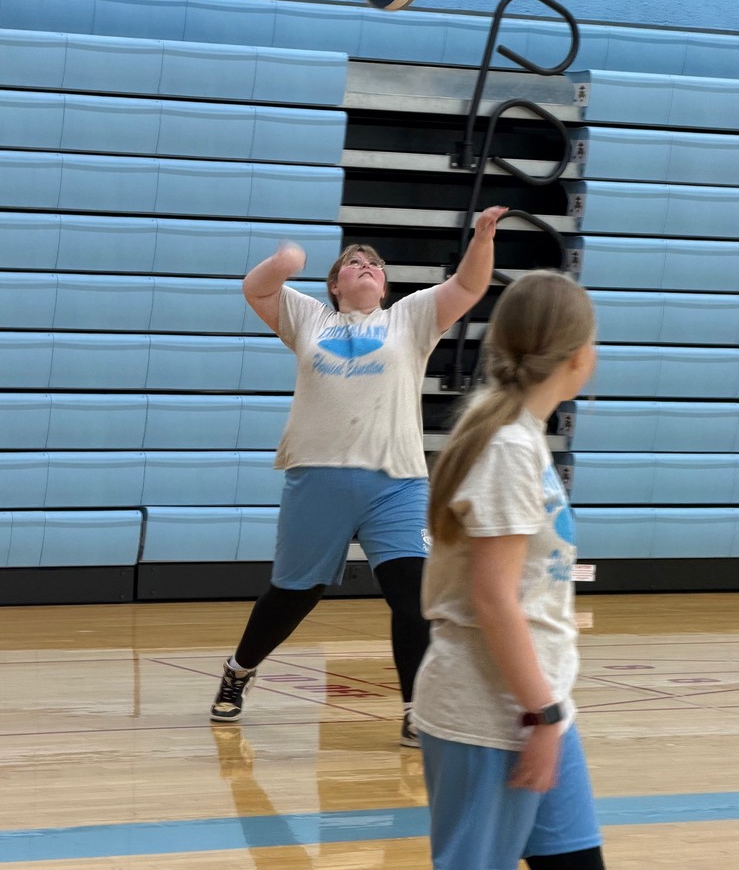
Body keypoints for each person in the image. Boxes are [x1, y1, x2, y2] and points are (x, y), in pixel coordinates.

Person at [210, 206, 509, 746]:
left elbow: (470, 284)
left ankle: (418, 711)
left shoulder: (410, 318)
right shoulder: (309, 319)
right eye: (353, 262)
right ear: (335, 284)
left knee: (413, 595)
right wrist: (282, 263)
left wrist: (482, 237)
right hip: (316, 479)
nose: (365, 265)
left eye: (373, 262)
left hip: (395, 483)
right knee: (293, 594)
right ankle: (239, 669)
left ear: (386, 282)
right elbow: (255, 291)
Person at [413, 270, 606, 869]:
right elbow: (495, 600)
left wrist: (549, 711)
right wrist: (540, 715)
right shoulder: (508, 450)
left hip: (538, 706)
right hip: (490, 715)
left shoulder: (519, 440)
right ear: (578, 358)